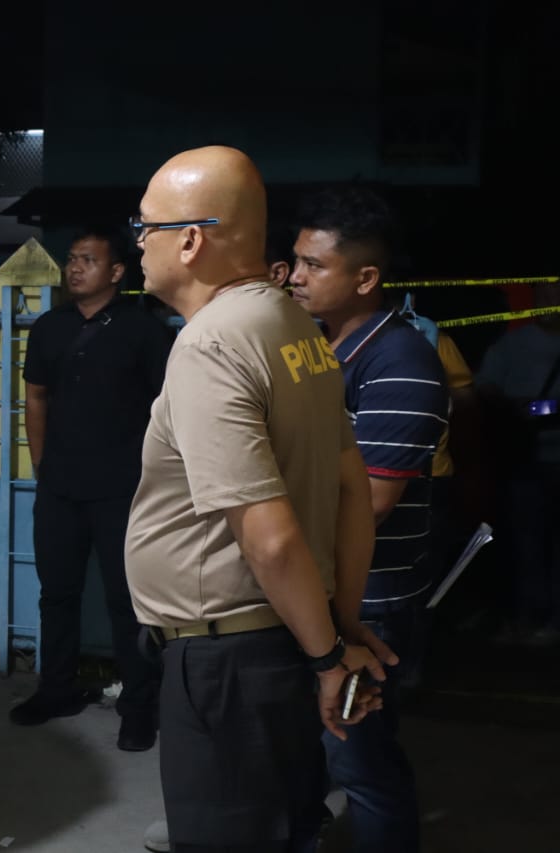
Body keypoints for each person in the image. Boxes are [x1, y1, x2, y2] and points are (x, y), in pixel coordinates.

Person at [125, 146, 388, 853]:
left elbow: (268, 538)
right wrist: (338, 629)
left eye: (145, 226)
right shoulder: (297, 329)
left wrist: (329, 658)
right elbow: (352, 492)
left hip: (227, 660)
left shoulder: (211, 344)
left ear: (190, 239)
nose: (138, 243)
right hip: (288, 635)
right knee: (288, 825)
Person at [289, 185, 448, 853]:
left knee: (360, 762)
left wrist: (270, 538)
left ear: (366, 278)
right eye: (296, 260)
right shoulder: (317, 349)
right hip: (318, 592)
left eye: (313, 265)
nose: (295, 277)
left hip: (368, 604)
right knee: (308, 754)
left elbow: (371, 505)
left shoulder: (401, 361)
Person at [12, 225, 171, 752]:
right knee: (57, 594)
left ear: (117, 271)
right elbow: (36, 397)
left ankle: (139, 707)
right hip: (60, 487)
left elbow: (167, 410)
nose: (74, 268)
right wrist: (42, 466)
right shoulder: (50, 327)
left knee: (130, 601)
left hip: (125, 489)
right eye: (72, 259)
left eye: (88, 259)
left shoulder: (144, 331)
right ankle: (56, 690)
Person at [476, 280, 560, 646]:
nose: (548, 302)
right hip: (525, 459)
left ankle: (552, 622)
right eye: (542, 295)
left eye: (555, 295)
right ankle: (528, 618)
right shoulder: (513, 343)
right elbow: (484, 386)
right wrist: (512, 407)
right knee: (525, 544)